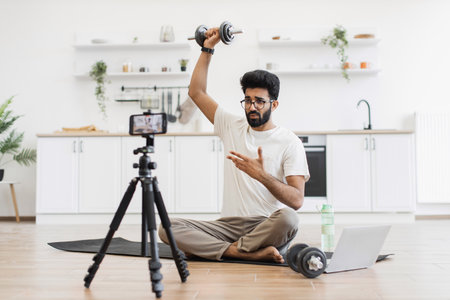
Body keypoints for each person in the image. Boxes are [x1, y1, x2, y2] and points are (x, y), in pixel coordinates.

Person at [158, 27, 310, 263]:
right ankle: (241, 252)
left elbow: (297, 200)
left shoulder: (290, 142)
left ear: (274, 105)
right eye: (248, 100)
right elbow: (196, 92)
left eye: (259, 101)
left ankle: (219, 250)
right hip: (227, 226)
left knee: (289, 219)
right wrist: (208, 47)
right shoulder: (231, 125)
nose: (252, 107)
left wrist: (262, 175)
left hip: (267, 226)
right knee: (167, 227)